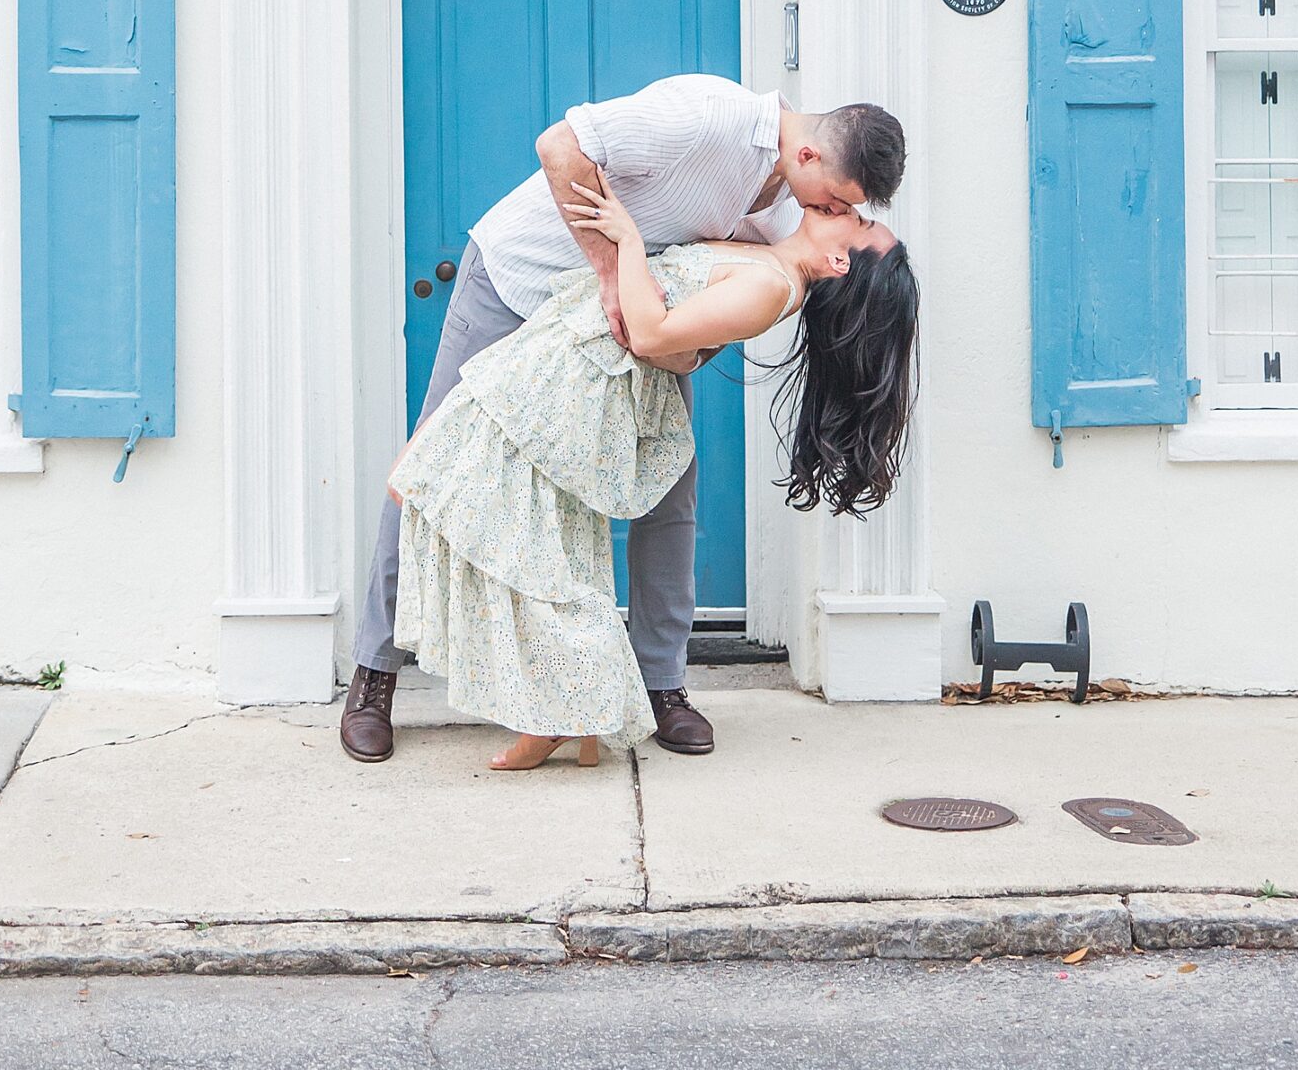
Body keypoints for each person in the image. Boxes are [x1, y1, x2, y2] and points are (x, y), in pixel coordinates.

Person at [341, 74, 906, 764]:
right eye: (841, 200)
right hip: (523, 283)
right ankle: (374, 678)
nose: (837, 212)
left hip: (630, 332)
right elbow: (561, 145)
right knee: (434, 472)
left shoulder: (795, 203)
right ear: (813, 155)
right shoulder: (708, 115)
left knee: (669, 493)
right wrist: (612, 272)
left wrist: (682, 348)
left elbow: (720, 294)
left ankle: (659, 684)